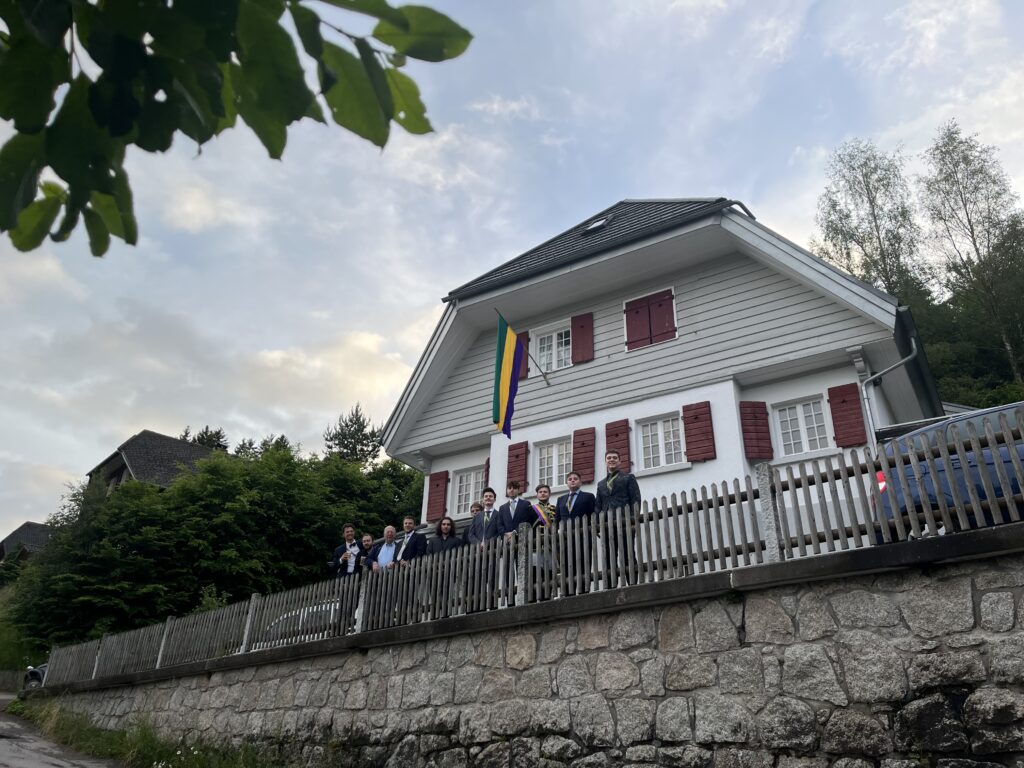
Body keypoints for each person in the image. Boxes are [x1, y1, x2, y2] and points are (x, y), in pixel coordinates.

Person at [596, 449, 642, 586]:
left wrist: (633, 520)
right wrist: (598, 524)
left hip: (625, 521)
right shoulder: (601, 484)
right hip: (607, 525)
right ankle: (611, 586)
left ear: (619, 461)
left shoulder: (628, 478)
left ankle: (632, 583)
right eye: (609, 458)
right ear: (605, 462)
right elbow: (598, 505)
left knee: (628, 553)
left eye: (615, 458)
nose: (612, 459)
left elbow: (636, 499)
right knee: (609, 556)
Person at [556, 471, 597, 594]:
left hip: (583, 537)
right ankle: (568, 593)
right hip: (565, 539)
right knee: (566, 565)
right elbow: (557, 519)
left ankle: (584, 591)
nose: (572, 480)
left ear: (580, 482)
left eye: (575, 478)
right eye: (570, 479)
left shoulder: (588, 497)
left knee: (584, 564)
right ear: (567, 483)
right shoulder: (561, 499)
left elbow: (593, 515)